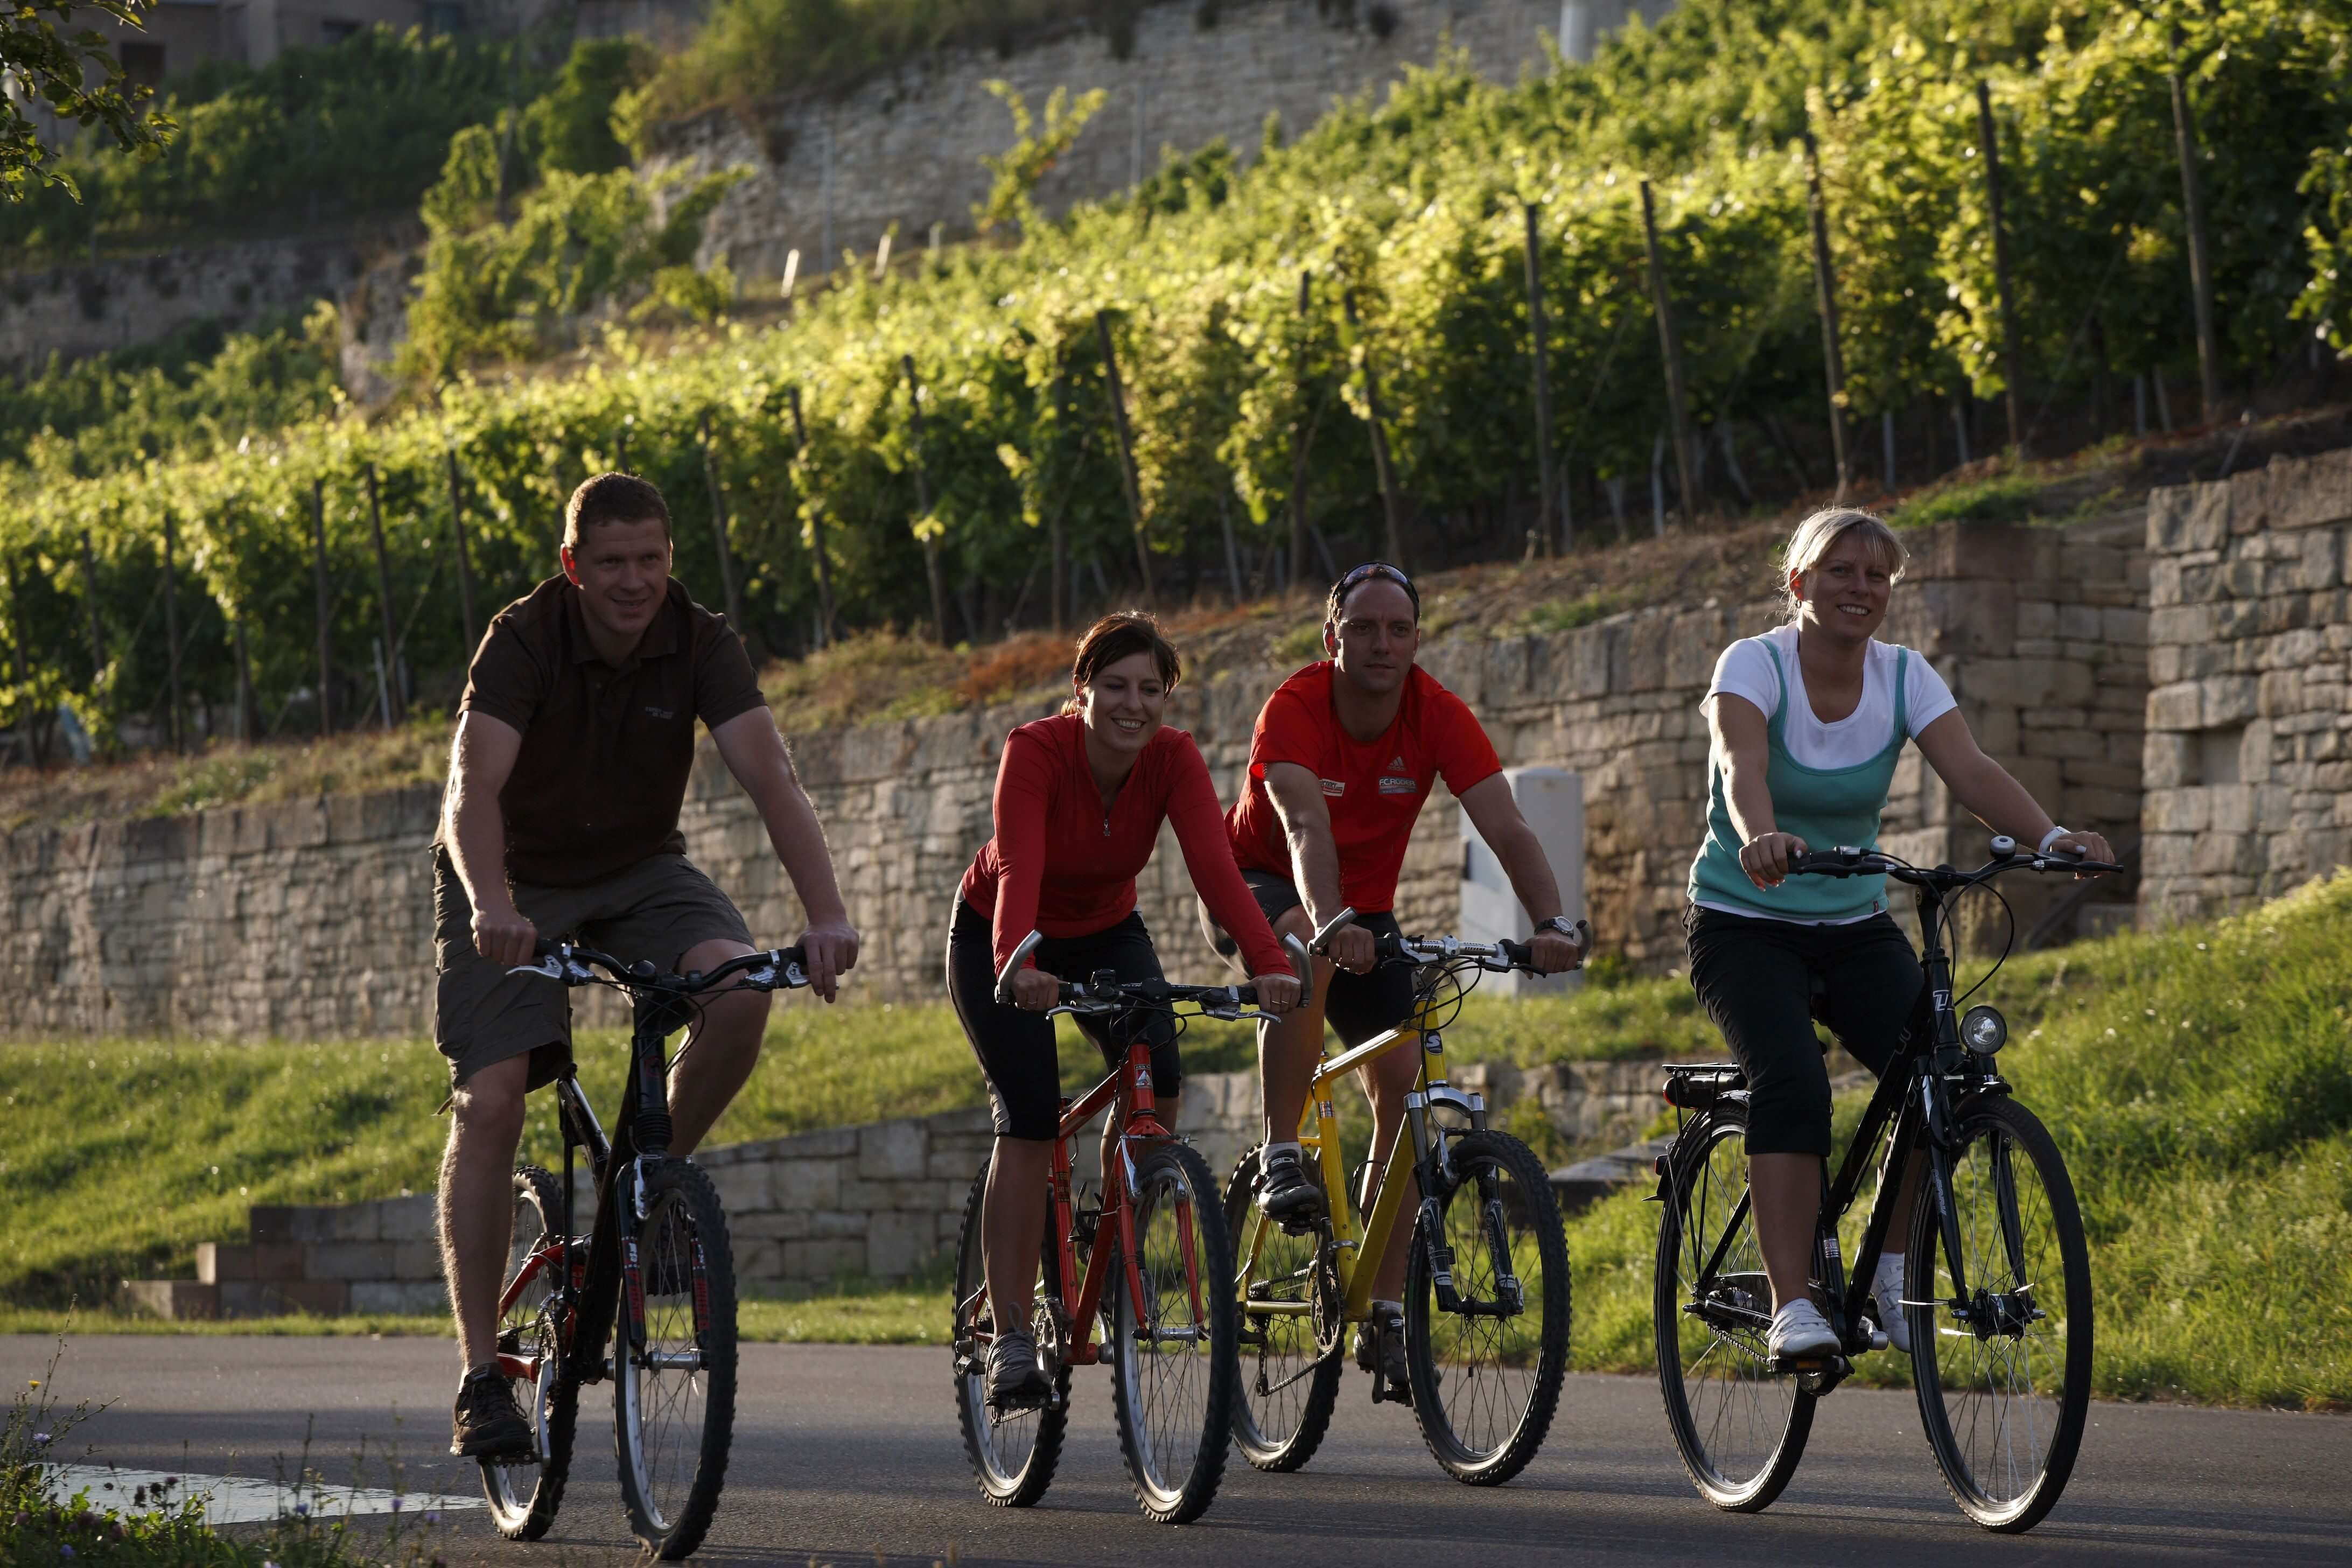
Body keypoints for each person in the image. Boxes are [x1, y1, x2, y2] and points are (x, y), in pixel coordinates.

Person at [433, 472, 859, 1458]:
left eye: (652, 560)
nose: (635, 581)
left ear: (671, 559)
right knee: (492, 1101)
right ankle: (481, 1377)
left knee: (739, 991)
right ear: (573, 565)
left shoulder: (700, 641)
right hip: (511, 877)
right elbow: (471, 789)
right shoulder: (523, 639)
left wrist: (827, 915)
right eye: (613, 563)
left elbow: (772, 777)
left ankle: (644, 1194)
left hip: (639, 872)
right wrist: (492, 904)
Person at [1686, 507, 2113, 1362]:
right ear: (1800, 583)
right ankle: (1793, 1305)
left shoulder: (1905, 675)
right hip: (1744, 922)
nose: (1862, 589)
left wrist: (2051, 837)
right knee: (1794, 1082)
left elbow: (1972, 770)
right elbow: (1742, 764)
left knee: (1941, 1074)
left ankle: (1889, 1267)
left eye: (1877, 576)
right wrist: (1761, 836)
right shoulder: (1755, 663)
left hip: (1851, 921)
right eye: (1841, 572)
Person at [1206, 562, 1585, 1395]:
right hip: (1261, 884)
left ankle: (1380, 1308)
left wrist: (1552, 924)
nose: (1382, 643)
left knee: (1407, 1087)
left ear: (1417, 639)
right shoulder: (1295, 706)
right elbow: (1305, 827)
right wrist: (1328, 923)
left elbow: (1506, 826)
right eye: (1364, 628)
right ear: (1331, 637)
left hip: (1363, 910)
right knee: (1302, 953)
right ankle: (1279, 1153)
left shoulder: (1436, 712)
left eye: (1399, 629)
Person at [947, 612, 1303, 1410]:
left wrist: (1271, 966)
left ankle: (1107, 1245)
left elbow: (1217, 872)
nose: (1132, 705)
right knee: (1029, 1118)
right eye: (1114, 686)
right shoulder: (1035, 751)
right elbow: (1019, 869)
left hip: (1108, 927)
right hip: (1003, 933)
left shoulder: (1173, 758)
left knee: (1159, 1082)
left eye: (1150, 689)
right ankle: (1011, 1336)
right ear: (1082, 689)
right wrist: (1018, 965)